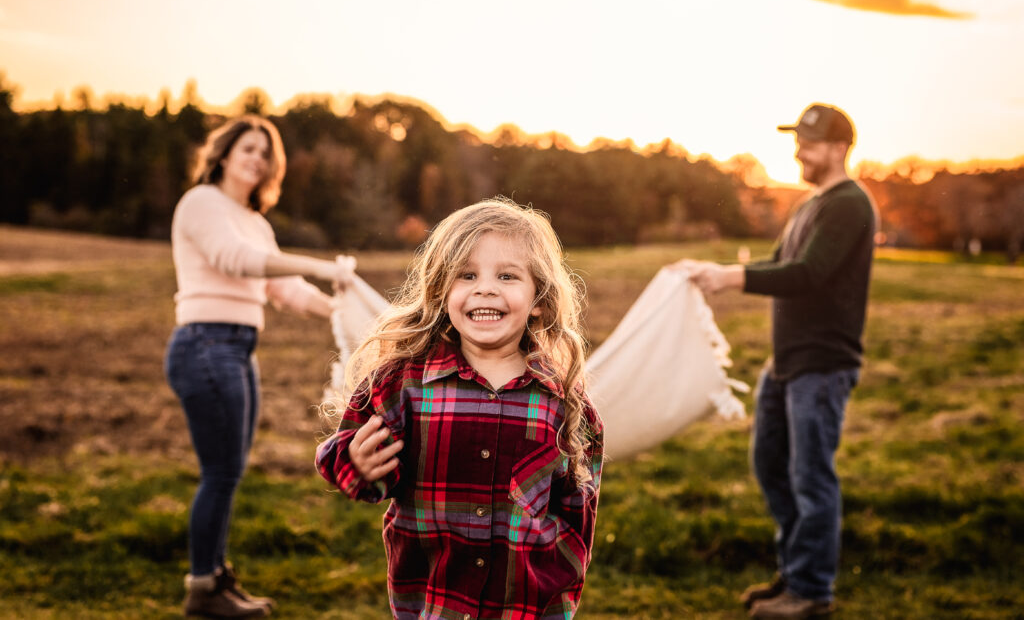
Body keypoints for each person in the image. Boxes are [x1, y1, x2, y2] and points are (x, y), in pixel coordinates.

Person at [316, 198, 604, 620]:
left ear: (538, 299)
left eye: (507, 275)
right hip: (431, 603)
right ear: (441, 293)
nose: (485, 288)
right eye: (466, 275)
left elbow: (577, 514)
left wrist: (557, 587)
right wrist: (356, 465)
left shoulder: (564, 403)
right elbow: (349, 460)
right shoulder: (402, 383)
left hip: (523, 608)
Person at [674, 104, 877, 619]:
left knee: (811, 477)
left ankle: (811, 592)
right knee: (771, 466)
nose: (799, 151)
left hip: (823, 364)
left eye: (809, 143)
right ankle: (794, 574)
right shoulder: (811, 204)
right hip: (786, 362)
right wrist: (717, 271)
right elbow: (780, 264)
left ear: (837, 148)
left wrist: (733, 279)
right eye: (798, 141)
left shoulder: (850, 204)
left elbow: (808, 273)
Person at [165, 115, 356, 618]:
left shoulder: (255, 221)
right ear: (224, 153)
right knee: (221, 472)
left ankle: (214, 578)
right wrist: (316, 264)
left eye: (266, 153)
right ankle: (203, 588)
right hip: (205, 344)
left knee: (229, 471)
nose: (257, 159)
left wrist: (347, 308)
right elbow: (236, 260)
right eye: (248, 148)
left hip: (237, 347)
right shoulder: (201, 203)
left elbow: (284, 291)